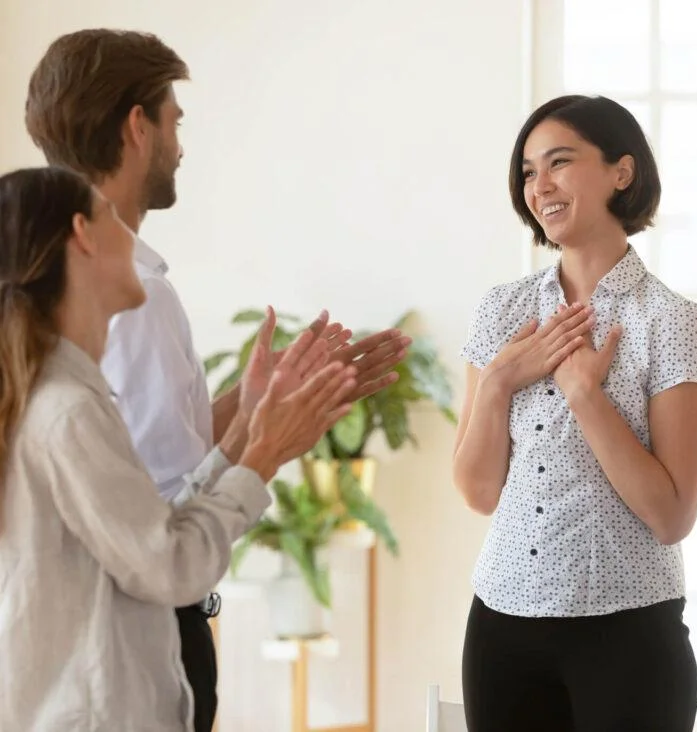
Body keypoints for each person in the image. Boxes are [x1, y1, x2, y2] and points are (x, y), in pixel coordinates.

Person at [24, 29, 410, 732]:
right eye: (175, 122)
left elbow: (143, 459)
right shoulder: (128, 299)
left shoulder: (70, 319)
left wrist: (261, 404)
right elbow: (165, 526)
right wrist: (265, 443)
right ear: (136, 127)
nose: (181, 145)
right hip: (137, 637)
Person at [0, 165, 360, 730]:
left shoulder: (65, 395)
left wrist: (248, 426)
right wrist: (262, 455)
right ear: (83, 235)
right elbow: (171, 567)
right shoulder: (65, 409)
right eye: (111, 217)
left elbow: (147, 535)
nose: (137, 240)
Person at [453, 94, 697, 732]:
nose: (540, 186)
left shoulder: (670, 320)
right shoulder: (501, 311)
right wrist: (497, 385)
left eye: (559, 163)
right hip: (501, 627)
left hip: (628, 633)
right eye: (528, 172)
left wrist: (586, 396)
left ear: (621, 172)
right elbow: (478, 491)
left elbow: (672, 515)